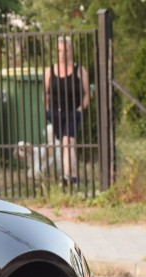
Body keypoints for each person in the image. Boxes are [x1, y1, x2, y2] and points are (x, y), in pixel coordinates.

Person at [44, 37, 90, 185]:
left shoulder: (79, 70)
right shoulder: (49, 71)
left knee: (67, 141)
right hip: (55, 113)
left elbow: (87, 93)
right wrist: (47, 110)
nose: (63, 54)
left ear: (72, 51)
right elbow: (46, 93)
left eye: (66, 50)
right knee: (63, 145)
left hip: (72, 112)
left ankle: (66, 176)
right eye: (60, 50)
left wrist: (79, 109)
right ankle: (74, 176)